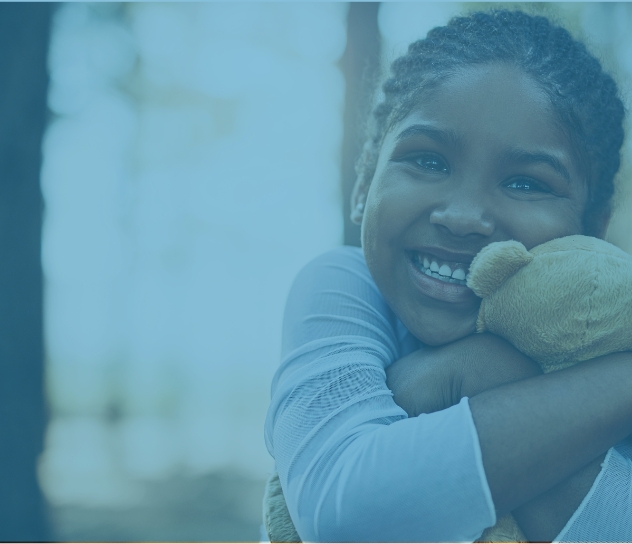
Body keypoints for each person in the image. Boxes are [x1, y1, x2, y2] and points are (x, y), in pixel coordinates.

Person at [264, 10, 632, 542]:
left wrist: (459, 381)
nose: (462, 216)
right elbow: (343, 511)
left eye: (526, 183)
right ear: (365, 181)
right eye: (430, 161)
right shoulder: (343, 288)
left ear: (592, 228)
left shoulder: (608, 337)